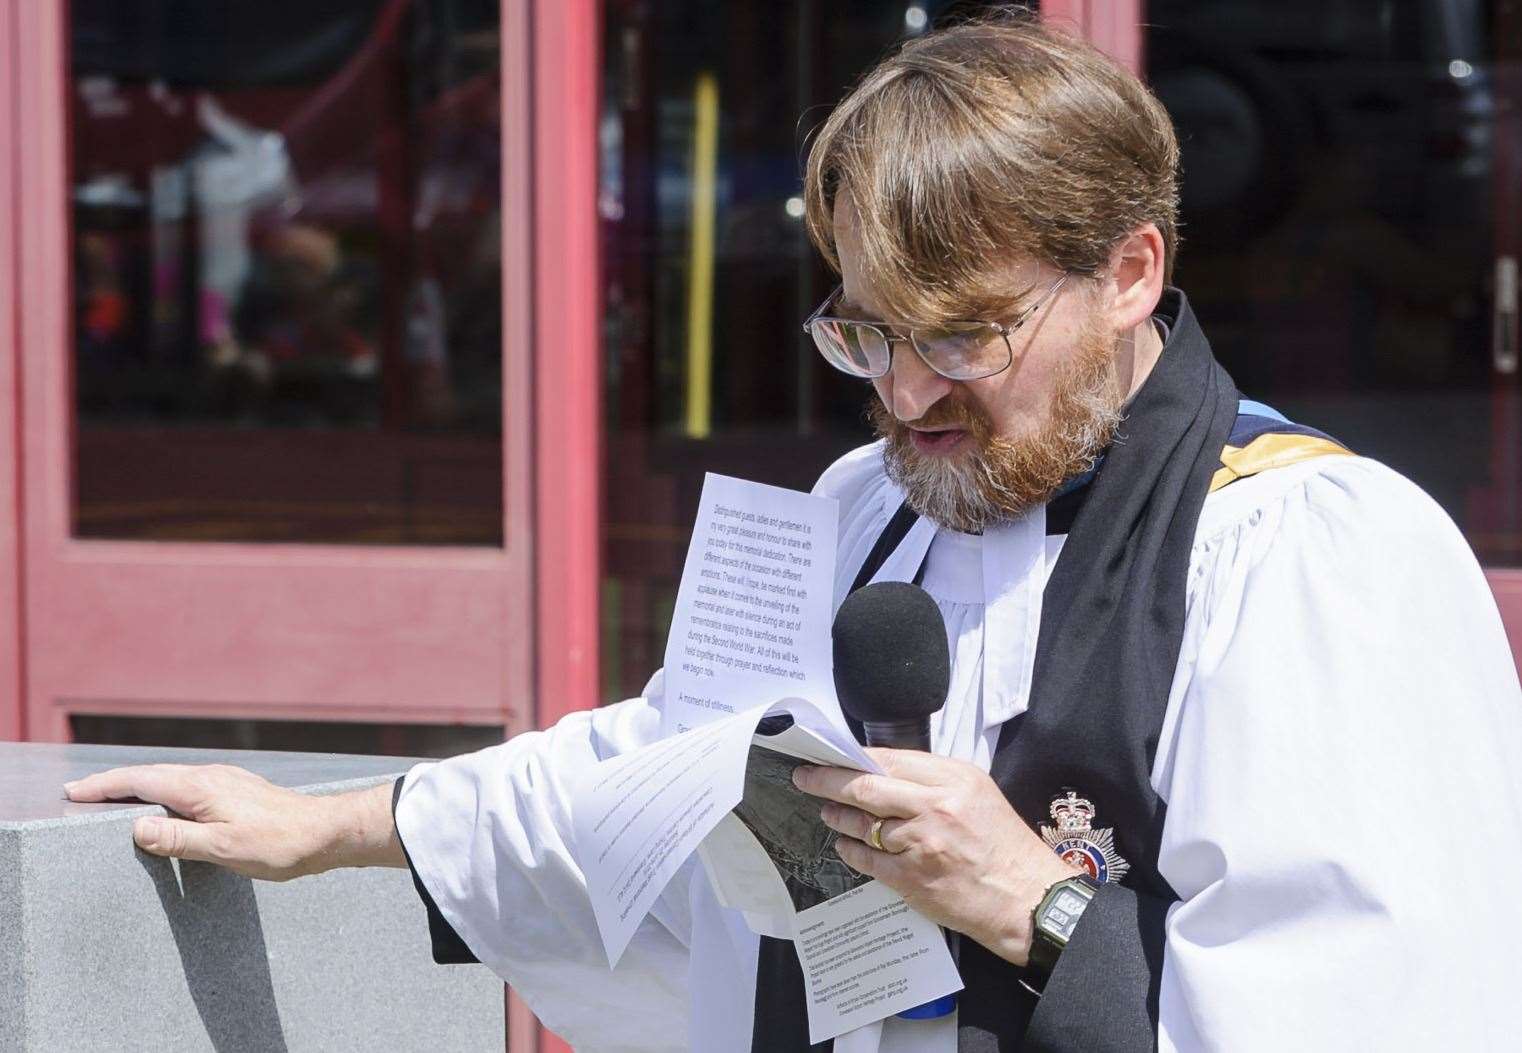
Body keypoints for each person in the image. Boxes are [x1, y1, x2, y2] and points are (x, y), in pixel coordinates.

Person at [64, 14, 1522, 1053]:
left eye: (960, 338)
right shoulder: (857, 510)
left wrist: (1032, 905)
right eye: (862, 333)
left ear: (1128, 271)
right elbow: (646, 778)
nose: (900, 395)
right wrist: (324, 827)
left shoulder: (1312, 555)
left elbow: (1375, 1004)